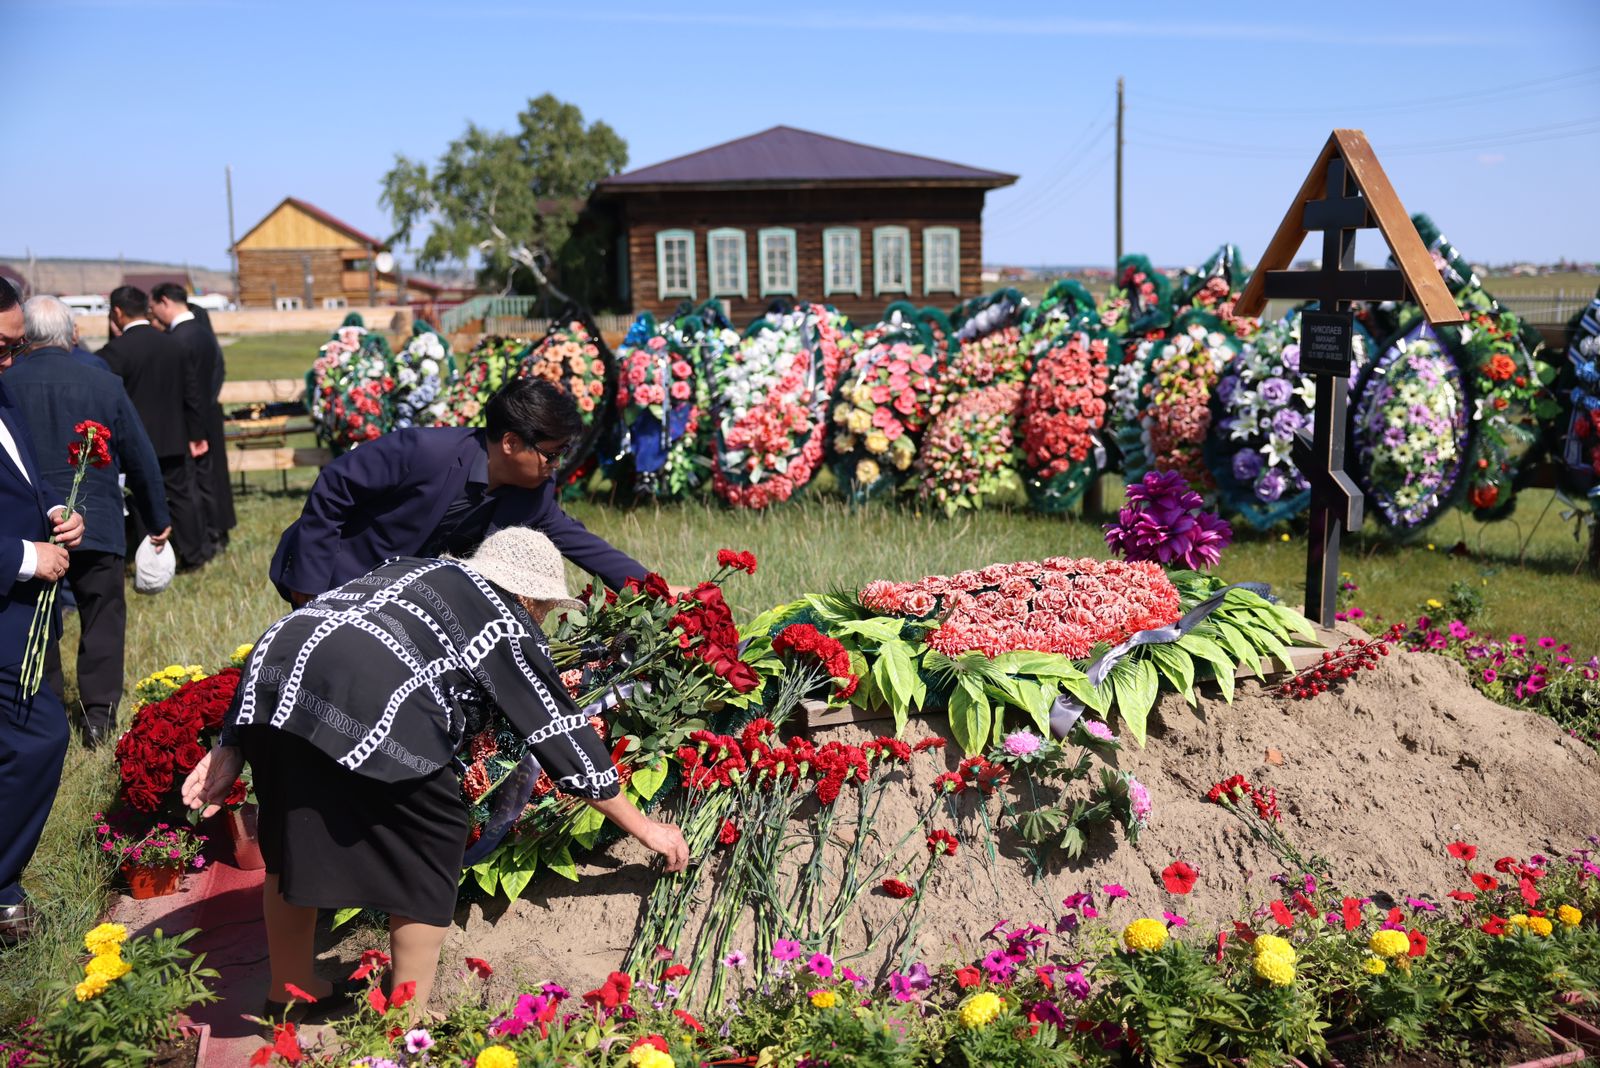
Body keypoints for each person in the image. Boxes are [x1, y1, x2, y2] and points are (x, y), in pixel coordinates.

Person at [182, 527, 688, 1017]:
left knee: (295, 835)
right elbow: (557, 729)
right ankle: (405, 1016)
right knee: (431, 835)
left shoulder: (413, 568)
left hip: (274, 676)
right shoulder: (502, 619)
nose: (545, 620)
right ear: (530, 599)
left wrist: (234, 742)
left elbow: (309, 636)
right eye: (547, 611)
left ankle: (290, 992)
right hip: (366, 696)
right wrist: (644, 827)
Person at [270, 376, 651, 606]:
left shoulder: (533, 491)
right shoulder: (421, 451)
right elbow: (333, 487)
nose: (556, 466)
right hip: (334, 573)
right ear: (510, 442)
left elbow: (579, 542)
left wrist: (654, 590)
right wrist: (310, 586)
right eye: (550, 455)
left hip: (400, 594)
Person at [12, 296, 172, 748]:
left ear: (25, 336)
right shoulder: (103, 382)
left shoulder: (8, 384)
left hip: (30, 526)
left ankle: (46, 711)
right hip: (98, 519)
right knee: (101, 612)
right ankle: (98, 715)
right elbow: (140, 457)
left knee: (39, 619)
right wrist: (157, 518)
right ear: (71, 334)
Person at [0, 277, 87, 948]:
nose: (10, 361)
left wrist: (55, 512)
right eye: (1, 347)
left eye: (15, 347)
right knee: (39, 738)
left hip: (20, 610)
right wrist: (26, 559)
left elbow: (24, 472)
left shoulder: (2, 387)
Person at [100, 285, 211, 570]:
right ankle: (195, 554)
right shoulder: (173, 343)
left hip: (135, 442)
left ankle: (148, 560)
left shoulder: (113, 353)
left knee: (140, 500)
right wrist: (196, 433)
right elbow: (192, 393)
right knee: (183, 495)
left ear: (117, 312)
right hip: (175, 434)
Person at [151, 283, 235, 554]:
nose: (154, 314)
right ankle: (217, 531)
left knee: (197, 481)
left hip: (190, 422)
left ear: (165, 302)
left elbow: (187, 389)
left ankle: (207, 537)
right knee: (210, 479)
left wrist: (194, 430)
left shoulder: (177, 340)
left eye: (154, 308)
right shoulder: (202, 333)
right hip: (208, 414)